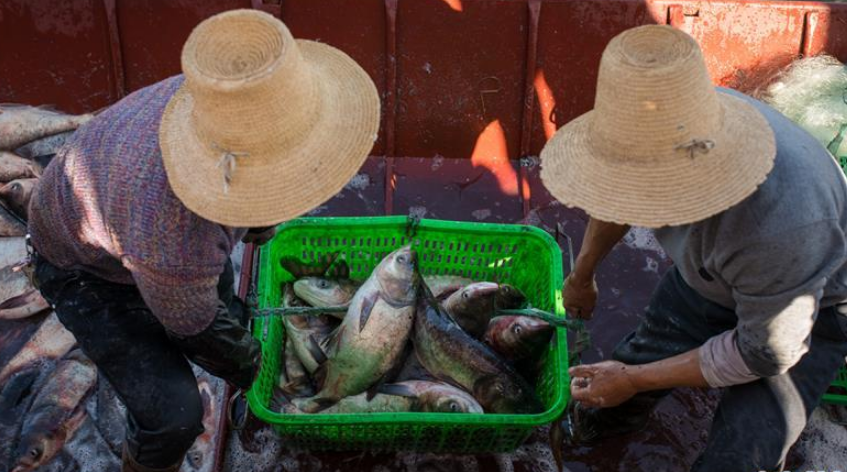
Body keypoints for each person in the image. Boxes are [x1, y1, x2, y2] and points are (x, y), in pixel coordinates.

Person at [27, 9, 379, 472]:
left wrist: (261, 219)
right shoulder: (176, 237)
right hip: (83, 269)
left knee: (230, 309)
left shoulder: (225, 97)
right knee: (174, 417)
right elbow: (196, 328)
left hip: (135, 224)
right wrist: (253, 367)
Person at [540, 25, 847, 471]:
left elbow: (765, 353)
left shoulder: (782, 226)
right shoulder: (681, 115)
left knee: (739, 459)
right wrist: (582, 276)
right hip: (713, 275)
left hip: (812, 309)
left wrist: (633, 379)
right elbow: (618, 199)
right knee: (603, 403)